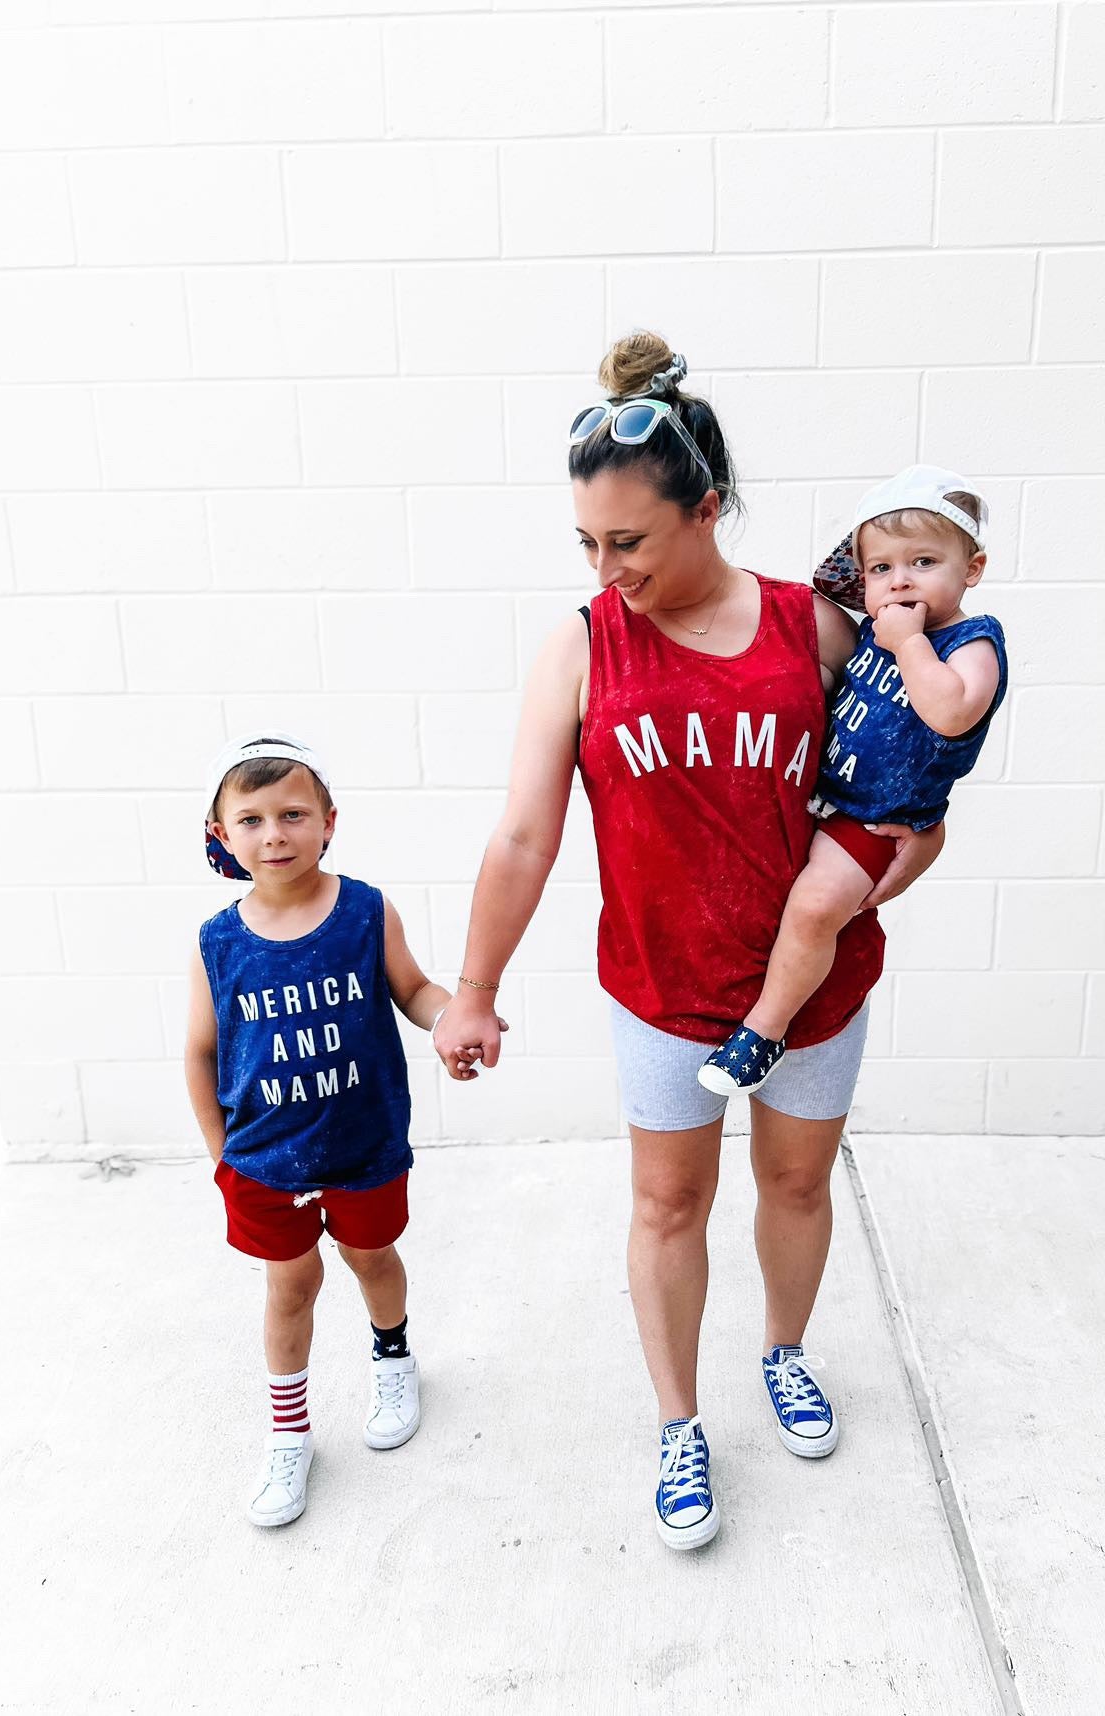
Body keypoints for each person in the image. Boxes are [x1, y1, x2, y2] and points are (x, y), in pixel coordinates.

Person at [433, 332, 944, 1551]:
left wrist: (908, 856)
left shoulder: (811, 630)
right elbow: (524, 838)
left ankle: (784, 1351)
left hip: (810, 989)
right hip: (662, 991)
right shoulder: (582, 646)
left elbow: (910, 778)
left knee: (796, 1183)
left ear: (706, 509)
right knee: (668, 1203)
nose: (606, 569)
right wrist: (473, 988)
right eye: (586, 544)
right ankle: (677, 1421)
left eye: (630, 541)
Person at [186, 732, 455, 1529]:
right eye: (252, 819)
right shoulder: (217, 941)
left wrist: (453, 1018)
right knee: (290, 1287)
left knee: (371, 1259)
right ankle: (289, 1433)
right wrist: (221, 1155)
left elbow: (415, 989)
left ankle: (394, 1356)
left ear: (329, 822)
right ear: (222, 833)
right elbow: (200, 1052)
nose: (275, 834)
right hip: (265, 1162)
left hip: (364, 1147)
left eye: (293, 814)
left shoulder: (365, 910)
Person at [698, 466, 1008, 1096]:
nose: (900, 580)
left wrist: (909, 644)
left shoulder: (971, 643)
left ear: (971, 570)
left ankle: (764, 1030)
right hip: (821, 794)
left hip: (873, 817)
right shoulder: (872, 631)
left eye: (923, 562)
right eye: (880, 568)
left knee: (814, 909)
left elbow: (951, 712)